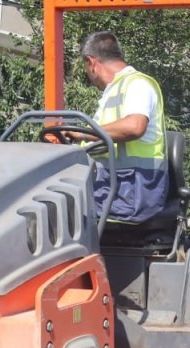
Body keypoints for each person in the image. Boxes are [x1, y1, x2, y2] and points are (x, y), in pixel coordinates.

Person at [73, 31, 169, 227]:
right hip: (115, 187)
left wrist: (83, 133)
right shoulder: (113, 93)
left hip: (134, 192)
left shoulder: (138, 84)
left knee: (57, 212)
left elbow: (135, 126)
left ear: (91, 63)